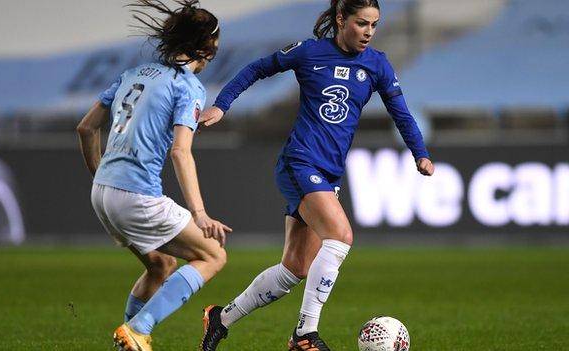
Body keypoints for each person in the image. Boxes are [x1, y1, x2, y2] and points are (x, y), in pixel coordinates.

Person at [198, 0, 434, 350]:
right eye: (361, 23)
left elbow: (401, 113)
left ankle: (221, 318)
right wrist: (222, 104)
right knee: (339, 237)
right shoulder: (309, 53)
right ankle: (304, 333)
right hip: (300, 162)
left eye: (374, 24)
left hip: (328, 174)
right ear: (341, 19)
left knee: (294, 269)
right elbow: (257, 69)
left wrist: (421, 153)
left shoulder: (377, 64)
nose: (368, 31)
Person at [76, 1, 231, 350]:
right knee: (213, 255)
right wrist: (200, 213)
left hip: (102, 191)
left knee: (161, 265)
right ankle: (139, 327)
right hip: (135, 194)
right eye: (213, 50)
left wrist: (101, 177)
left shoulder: (132, 74)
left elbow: (86, 129)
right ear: (204, 48)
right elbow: (180, 151)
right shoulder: (187, 86)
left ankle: (129, 340)